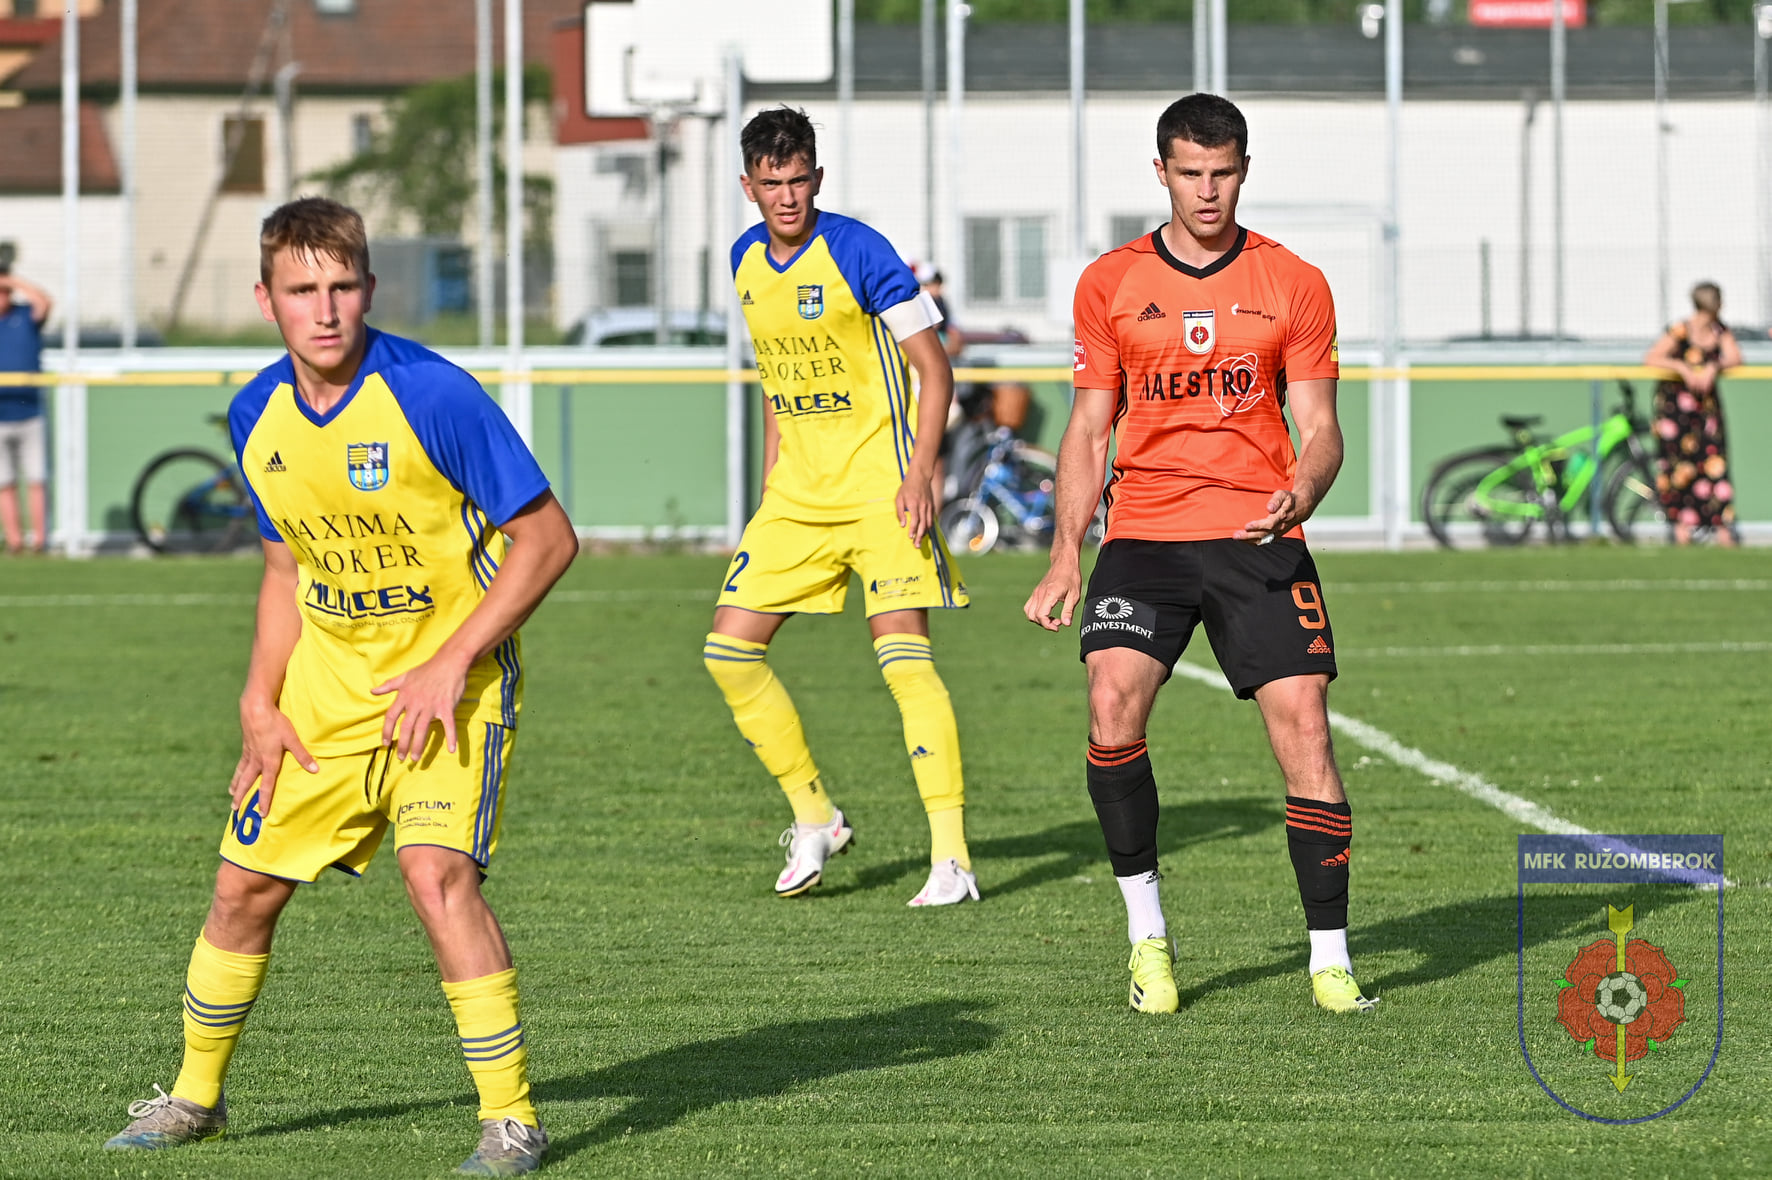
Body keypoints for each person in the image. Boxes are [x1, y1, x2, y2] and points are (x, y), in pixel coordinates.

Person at [103, 197, 579, 1175]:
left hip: (451, 690)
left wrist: (449, 661)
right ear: (266, 299)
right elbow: (285, 568)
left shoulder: (433, 394)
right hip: (323, 695)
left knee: (435, 876)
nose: (324, 310)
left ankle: (511, 1121)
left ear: (369, 287)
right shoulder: (257, 415)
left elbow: (547, 540)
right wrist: (258, 704)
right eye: (301, 290)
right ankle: (194, 1099)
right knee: (240, 889)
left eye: (342, 286)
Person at [1024, 94, 1375, 1016]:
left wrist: (1304, 489)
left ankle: (1331, 961)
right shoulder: (1109, 283)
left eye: (1222, 173)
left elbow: (1322, 427)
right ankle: (1147, 938)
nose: (1207, 191)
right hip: (1144, 535)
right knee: (1111, 705)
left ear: (1244, 171)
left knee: (1305, 729)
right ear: (1162, 173)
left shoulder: (1294, 282)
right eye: (1190, 174)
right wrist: (1065, 555)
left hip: (1259, 535)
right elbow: (1088, 429)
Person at [706, 107, 977, 907]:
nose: (787, 197)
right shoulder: (744, 260)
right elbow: (775, 381)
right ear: (749, 187)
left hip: (881, 491)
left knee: (905, 665)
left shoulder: (860, 251)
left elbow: (935, 369)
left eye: (799, 181)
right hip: (796, 498)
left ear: (817, 178)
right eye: (772, 184)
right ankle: (816, 816)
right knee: (728, 654)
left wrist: (920, 475)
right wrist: (770, 487)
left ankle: (952, 860)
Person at [1644, 282, 1742, 546]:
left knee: (1715, 465)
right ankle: (1681, 530)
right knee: (1676, 467)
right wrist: (1682, 367)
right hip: (1675, 412)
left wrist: (1713, 366)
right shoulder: (1680, 329)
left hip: (1706, 412)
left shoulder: (1719, 330)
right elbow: (1652, 358)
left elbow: (1735, 357)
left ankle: (1722, 530)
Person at [0, 263, 52, 554]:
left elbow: (44, 302)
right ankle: (15, 542)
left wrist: (11, 280)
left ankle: (40, 542)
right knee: (4, 483)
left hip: (30, 414)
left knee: (36, 479)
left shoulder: (24, 315)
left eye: (4, 291)